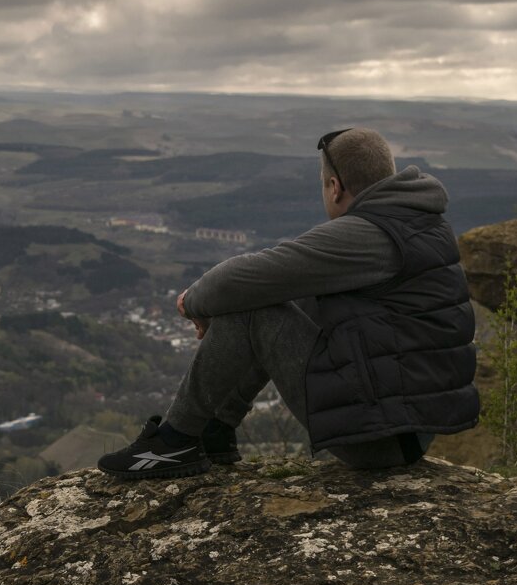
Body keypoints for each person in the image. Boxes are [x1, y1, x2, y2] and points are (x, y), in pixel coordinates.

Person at [97, 127, 479, 479]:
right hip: (409, 429)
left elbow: (239, 278)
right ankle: (214, 431)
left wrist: (193, 303)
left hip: (378, 439)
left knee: (253, 306)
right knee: (284, 294)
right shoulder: (422, 223)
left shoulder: (369, 234)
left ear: (334, 187)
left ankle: (174, 441)